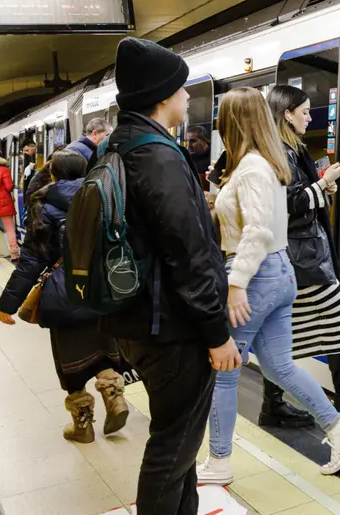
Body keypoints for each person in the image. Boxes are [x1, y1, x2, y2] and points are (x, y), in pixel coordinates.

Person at [100, 37, 241, 515]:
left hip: (140, 318)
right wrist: (216, 334)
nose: (187, 98)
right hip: (172, 329)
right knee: (172, 449)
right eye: (182, 90)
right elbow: (190, 254)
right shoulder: (159, 157)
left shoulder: (118, 146)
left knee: (176, 449)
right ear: (163, 96)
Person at [197, 88, 340, 485]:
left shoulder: (252, 167)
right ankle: (338, 430)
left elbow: (256, 229)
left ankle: (218, 461)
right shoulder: (262, 163)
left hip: (255, 276)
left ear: (233, 122)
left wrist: (236, 285)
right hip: (277, 272)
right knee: (278, 365)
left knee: (223, 370)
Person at [251, 84, 340, 428]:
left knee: (285, 332)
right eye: (305, 112)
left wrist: (321, 186)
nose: (310, 118)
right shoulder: (280, 154)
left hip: (302, 254)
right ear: (287, 115)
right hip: (302, 256)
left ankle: (274, 405)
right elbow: (288, 204)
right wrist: (323, 182)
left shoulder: (286, 149)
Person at [0, 150, 130, 443]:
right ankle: (114, 396)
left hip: (64, 295)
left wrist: (8, 303)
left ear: (52, 175)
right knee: (105, 349)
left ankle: (82, 425)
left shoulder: (43, 206)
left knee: (71, 365)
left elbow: (31, 261)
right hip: (101, 292)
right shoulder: (105, 197)